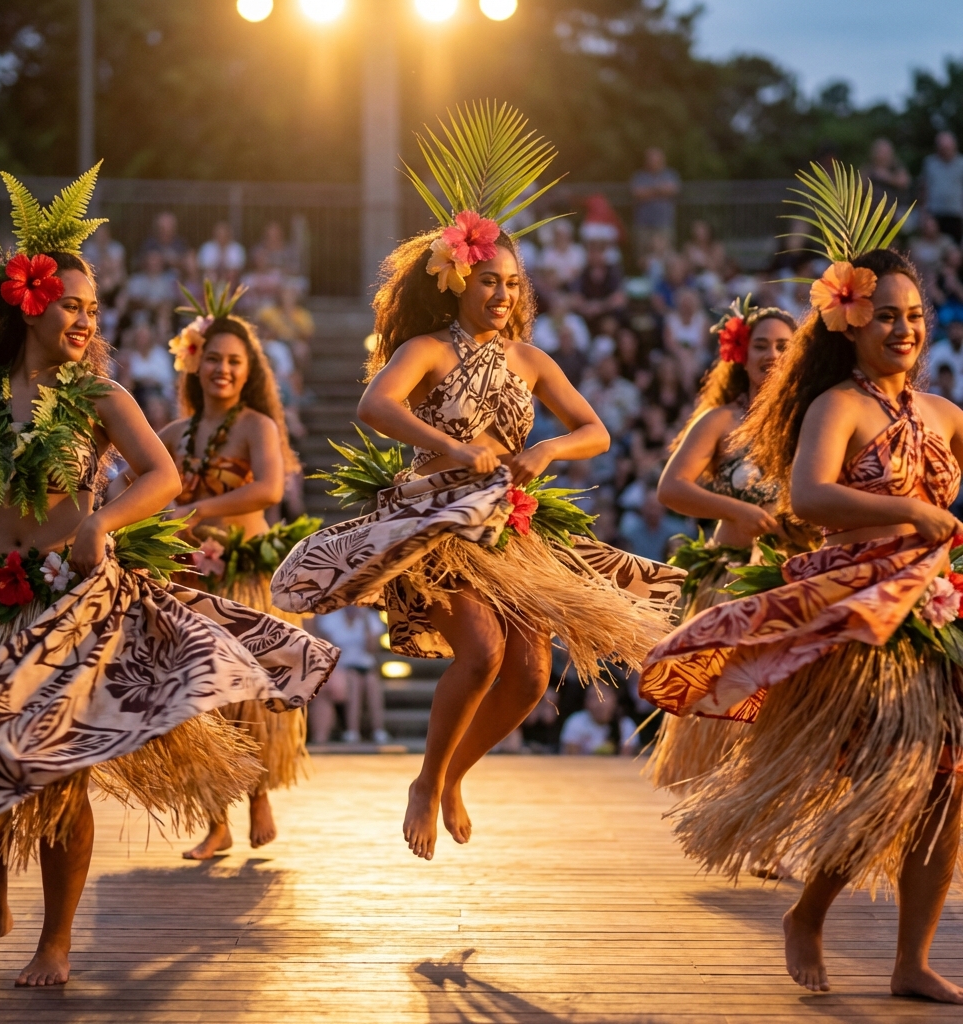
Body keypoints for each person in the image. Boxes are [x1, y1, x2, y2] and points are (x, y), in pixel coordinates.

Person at [0, 168, 336, 986]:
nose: (87, 320)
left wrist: (99, 521)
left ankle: (56, 938)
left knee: (56, 772)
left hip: (66, 609)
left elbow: (157, 476)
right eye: (71, 306)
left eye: (93, 308)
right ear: (27, 302)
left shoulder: (99, 397)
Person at [271, 102, 685, 861]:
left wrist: (548, 452)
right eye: (488, 281)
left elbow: (597, 430)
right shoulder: (429, 348)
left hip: (508, 524)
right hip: (432, 524)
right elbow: (375, 406)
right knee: (484, 653)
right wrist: (452, 450)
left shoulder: (530, 360)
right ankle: (428, 780)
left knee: (529, 676)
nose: (502, 294)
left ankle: (454, 774)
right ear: (458, 281)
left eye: (511, 284)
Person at [639, 162, 963, 1003]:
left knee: (947, 781)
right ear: (850, 327)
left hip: (933, 607)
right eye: (885, 317)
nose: (903, 330)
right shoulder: (839, 407)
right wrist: (916, 517)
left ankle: (909, 960)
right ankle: (808, 912)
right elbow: (811, 495)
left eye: (915, 317)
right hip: (855, 610)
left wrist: (939, 529)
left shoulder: (944, 416)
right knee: (894, 772)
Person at [154, 283, 316, 860]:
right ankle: (216, 820)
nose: (222, 369)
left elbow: (268, 487)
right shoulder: (174, 436)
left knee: (251, 695)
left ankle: (260, 793)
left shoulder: (256, 427)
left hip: (247, 578)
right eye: (215, 358)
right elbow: (144, 488)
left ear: (248, 372)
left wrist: (192, 510)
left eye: (234, 362)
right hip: (193, 583)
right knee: (201, 698)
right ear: (195, 362)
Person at [651, 299, 798, 791]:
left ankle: (764, 806)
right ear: (741, 353)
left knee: (782, 705)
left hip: (793, 582)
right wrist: (736, 510)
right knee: (733, 703)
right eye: (761, 345)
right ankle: (727, 800)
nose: (772, 354)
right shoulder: (719, 420)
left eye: (783, 345)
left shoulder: (813, 421)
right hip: (731, 582)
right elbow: (672, 488)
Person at [311, 607, 389, 744]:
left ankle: (378, 729)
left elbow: (372, 649)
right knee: (353, 680)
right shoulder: (331, 618)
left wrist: (365, 623)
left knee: (371, 681)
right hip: (341, 666)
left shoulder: (369, 618)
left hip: (364, 665)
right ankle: (352, 730)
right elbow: (328, 648)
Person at [631, 147, 681, 258]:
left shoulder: (670, 174)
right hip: (643, 224)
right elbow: (637, 193)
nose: (652, 162)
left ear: (662, 160)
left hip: (664, 223)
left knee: (667, 255)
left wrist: (649, 191)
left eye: (655, 159)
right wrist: (660, 190)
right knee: (643, 256)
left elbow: (672, 190)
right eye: (650, 159)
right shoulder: (639, 176)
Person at [922, 131, 963, 244]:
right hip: (935, 214)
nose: (945, 150)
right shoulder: (930, 163)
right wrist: (924, 214)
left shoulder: (961, 164)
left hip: (956, 215)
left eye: (948, 147)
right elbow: (924, 189)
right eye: (942, 147)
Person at [862, 138, 912, 215]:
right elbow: (858, 186)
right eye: (881, 152)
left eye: (886, 152)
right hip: (871, 209)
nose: (883, 155)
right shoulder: (869, 168)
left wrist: (887, 177)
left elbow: (905, 182)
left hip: (895, 208)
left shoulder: (896, 167)